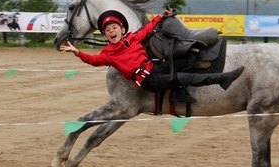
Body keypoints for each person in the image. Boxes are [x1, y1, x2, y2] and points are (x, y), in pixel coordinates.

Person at [60, 9, 244, 103]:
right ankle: (222, 79)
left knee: (183, 58)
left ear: (122, 29)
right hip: (147, 80)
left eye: (114, 27)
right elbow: (93, 60)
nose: (111, 31)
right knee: (183, 77)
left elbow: (148, 29)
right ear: (106, 35)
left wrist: (160, 17)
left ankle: (180, 91)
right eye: (107, 30)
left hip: (155, 67)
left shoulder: (133, 38)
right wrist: (77, 52)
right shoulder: (108, 54)